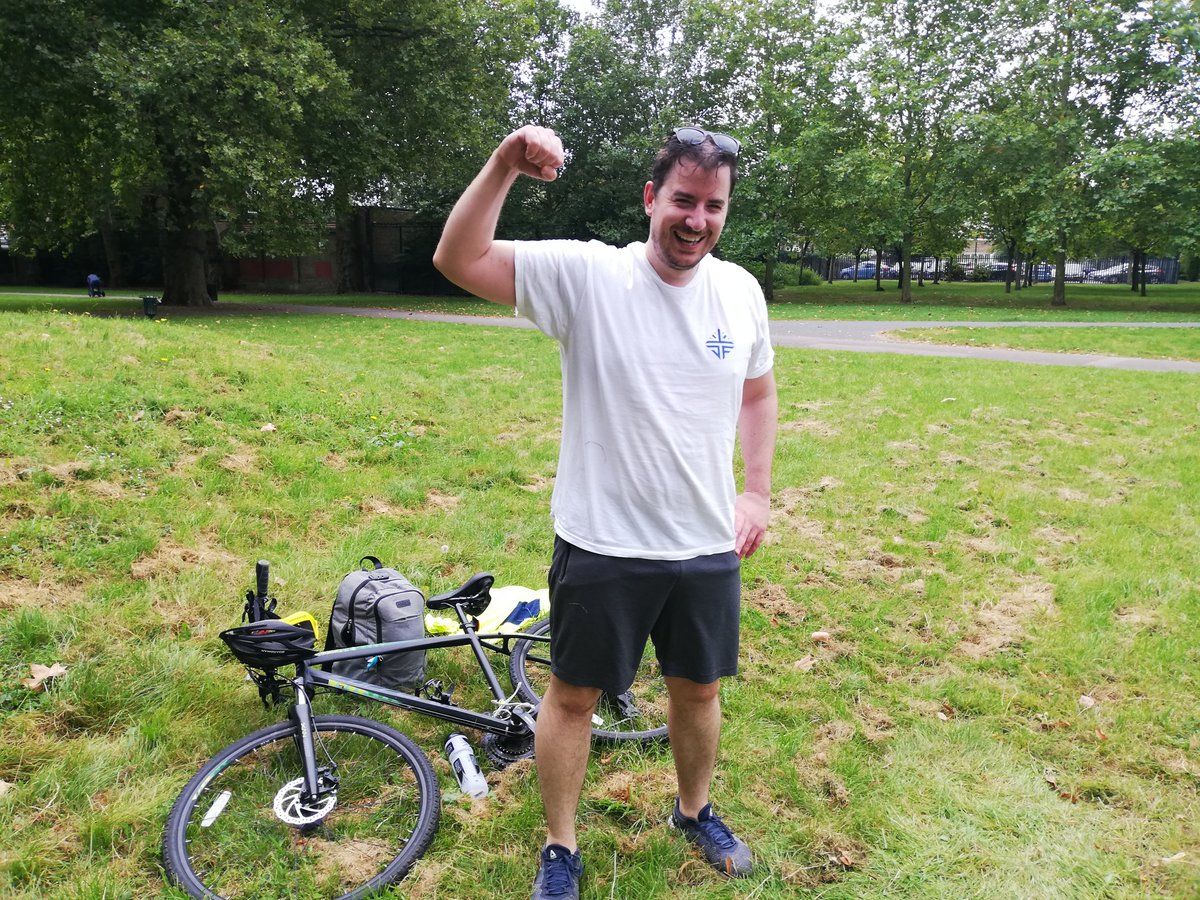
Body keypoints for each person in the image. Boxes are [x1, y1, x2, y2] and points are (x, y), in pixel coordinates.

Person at [433, 125, 777, 900]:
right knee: (574, 696)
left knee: (698, 689)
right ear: (652, 198)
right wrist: (501, 167)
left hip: (702, 542)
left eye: (713, 206)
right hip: (603, 540)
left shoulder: (741, 291)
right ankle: (561, 847)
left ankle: (694, 811)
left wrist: (755, 490)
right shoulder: (589, 276)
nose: (697, 219)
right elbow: (458, 259)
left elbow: (757, 391)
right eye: (683, 200)